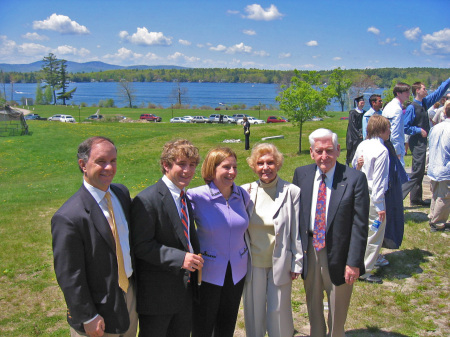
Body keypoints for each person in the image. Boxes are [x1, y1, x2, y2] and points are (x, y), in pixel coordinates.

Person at [51, 136, 138, 337]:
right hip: (98, 309)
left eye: (113, 161)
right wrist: (87, 316)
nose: (109, 167)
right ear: (83, 164)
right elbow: (69, 275)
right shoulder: (69, 217)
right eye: (101, 161)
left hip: (129, 296)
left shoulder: (121, 193)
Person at [292, 128, 369, 337]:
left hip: (340, 254)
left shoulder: (355, 179)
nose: (324, 156)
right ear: (311, 152)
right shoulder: (301, 175)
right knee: (313, 306)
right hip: (310, 249)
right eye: (319, 151)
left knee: (337, 310)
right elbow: (295, 217)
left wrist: (353, 262)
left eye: (329, 150)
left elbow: (360, 225)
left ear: (338, 150)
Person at [130, 139, 204, 337]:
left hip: (184, 293)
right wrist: (181, 259)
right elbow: (142, 246)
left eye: (192, 165)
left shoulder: (183, 197)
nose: (187, 171)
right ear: (166, 165)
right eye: (181, 164)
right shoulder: (147, 200)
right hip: (158, 297)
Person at [187, 147, 250, 337]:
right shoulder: (196, 197)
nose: (232, 172)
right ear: (212, 169)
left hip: (237, 271)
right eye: (226, 167)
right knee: (203, 325)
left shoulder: (242, 195)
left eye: (234, 167)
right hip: (207, 272)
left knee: (227, 323)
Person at [241, 143, 303, 337]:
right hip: (253, 264)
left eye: (270, 162)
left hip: (281, 262)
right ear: (253, 165)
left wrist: (297, 262)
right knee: (253, 312)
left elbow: (296, 230)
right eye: (260, 163)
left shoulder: (292, 191)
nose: (265, 167)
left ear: (277, 164)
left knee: (279, 312)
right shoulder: (245, 192)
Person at [352, 115, 391, 284]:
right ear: (382, 130)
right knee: (375, 231)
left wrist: (359, 166)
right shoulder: (382, 150)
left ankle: (357, 261)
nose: (389, 132)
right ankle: (365, 270)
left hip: (359, 193)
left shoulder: (362, 144)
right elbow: (379, 180)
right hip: (373, 195)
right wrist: (380, 205)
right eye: (388, 129)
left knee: (361, 229)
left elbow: (354, 166)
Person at [402, 78, 450, 206]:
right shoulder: (412, 107)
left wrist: (448, 81)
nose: (426, 90)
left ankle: (416, 199)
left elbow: (438, 93)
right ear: (417, 90)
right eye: (424, 88)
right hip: (416, 142)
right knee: (417, 171)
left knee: (419, 169)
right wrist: (418, 130)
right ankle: (400, 195)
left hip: (422, 141)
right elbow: (405, 126)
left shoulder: (424, 103)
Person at [427, 103, 450, 232]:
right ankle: (438, 223)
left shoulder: (435, 128)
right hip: (446, 167)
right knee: (445, 196)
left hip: (434, 166)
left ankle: (432, 217)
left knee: (436, 194)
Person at [382, 82, 411, 167]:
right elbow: (395, 132)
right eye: (406, 92)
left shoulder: (389, 106)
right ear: (398, 93)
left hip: (387, 144)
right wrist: (397, 152)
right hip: (394, 148)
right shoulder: (397, 109)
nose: (409, 94)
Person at [345, 95, 366, 166]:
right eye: (361, 102)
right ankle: (348, 161)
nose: (362, 104)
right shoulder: (353, 113)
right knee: (351, 147)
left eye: (363, 103)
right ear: (357, 103)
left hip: (361, 132)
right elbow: (352, 124)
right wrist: (358, 133)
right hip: (352, 133)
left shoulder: (364, 113)